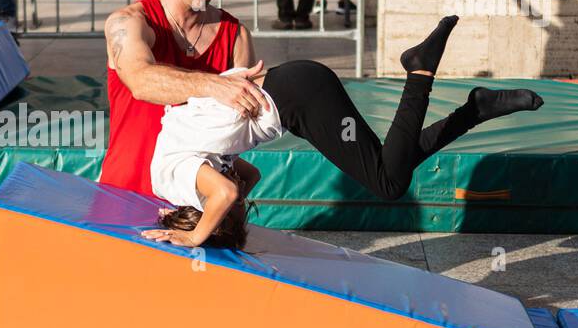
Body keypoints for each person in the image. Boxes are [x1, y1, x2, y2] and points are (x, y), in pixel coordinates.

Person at [142, 17, 544, 249]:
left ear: (183, 214)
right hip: (296, 90)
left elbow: (228, 191)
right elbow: (247, 177)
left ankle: (422, 70)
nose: (232, 206)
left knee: (388, 183)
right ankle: (475, 109)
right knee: (389, 165)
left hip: (300, 99)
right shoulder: (175, 168)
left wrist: (196, 237)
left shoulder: (176, 181)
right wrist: (221, 200)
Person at [99, 0, 267, 197]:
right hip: (124, 196)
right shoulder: (128, 23)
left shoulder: (235, 36)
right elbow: (141, 82)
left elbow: (241, 130)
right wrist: (214, 85)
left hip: (190, 208)